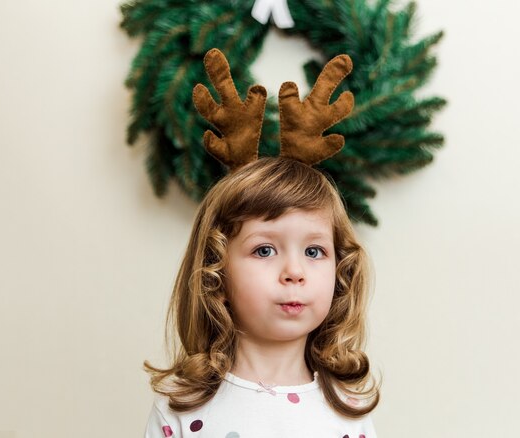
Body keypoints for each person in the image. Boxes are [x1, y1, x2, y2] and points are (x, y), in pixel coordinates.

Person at [143, 49, 380, 437]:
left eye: (314, 251)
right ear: (215, 274)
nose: (294, 272)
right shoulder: (180, 411)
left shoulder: (351, 414)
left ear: (340, 272)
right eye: (264, 250)